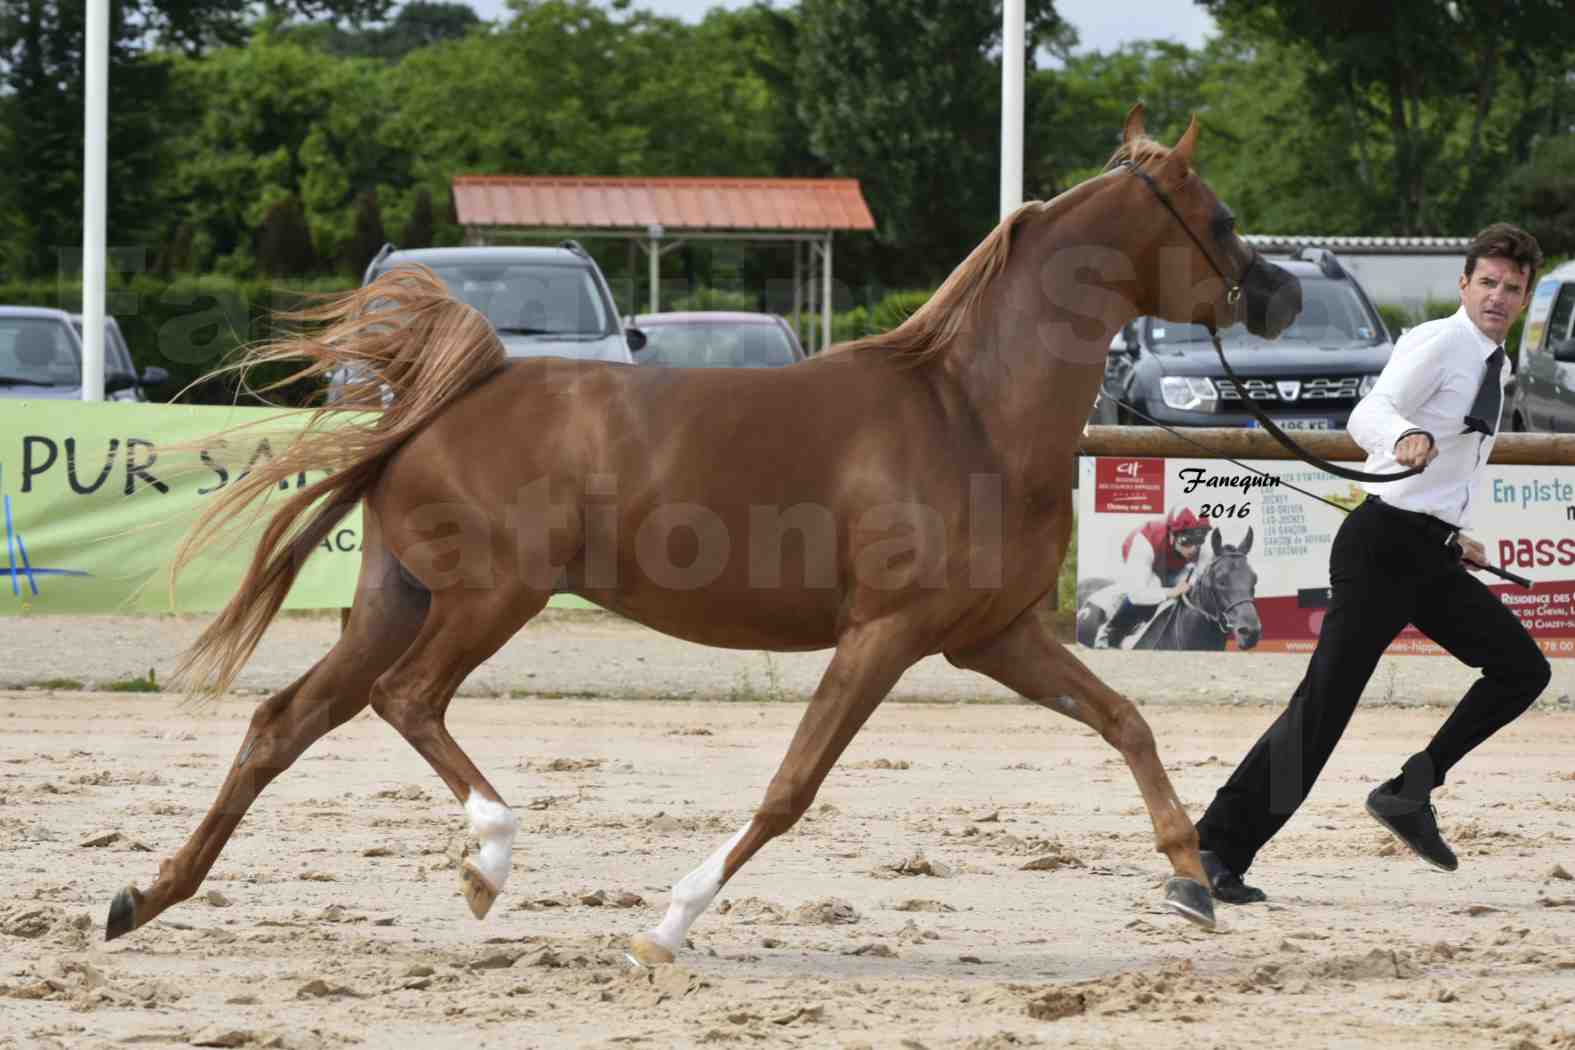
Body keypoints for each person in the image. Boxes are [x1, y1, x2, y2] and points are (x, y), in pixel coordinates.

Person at [1195, 223, 1554, 904]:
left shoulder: (1494, 363)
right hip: (1380, 547)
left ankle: (1410, 789)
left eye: (1511, 288)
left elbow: (1457, 462)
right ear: (1463, 284)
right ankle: (1214, 845)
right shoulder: (1439, 343)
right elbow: (1370, 411)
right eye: (1487, 283)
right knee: (1322, 709)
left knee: (1520, 670)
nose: (1498, 297)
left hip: (1428, 551)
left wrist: (1455, 532)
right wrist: (1403, 434)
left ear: (1524, 294)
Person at [1087, 506, 1212, 650]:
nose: (1193, 549)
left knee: (1189, 589)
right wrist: (1171, 592)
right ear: (1172, 534)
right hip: (1144, 557)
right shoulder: (1145, 541)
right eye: (1187, 540)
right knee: (1154, 587)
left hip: (1171, 562)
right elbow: (1136, 595)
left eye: (1199, 540)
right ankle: (1110, 632)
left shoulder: (1201, 550)